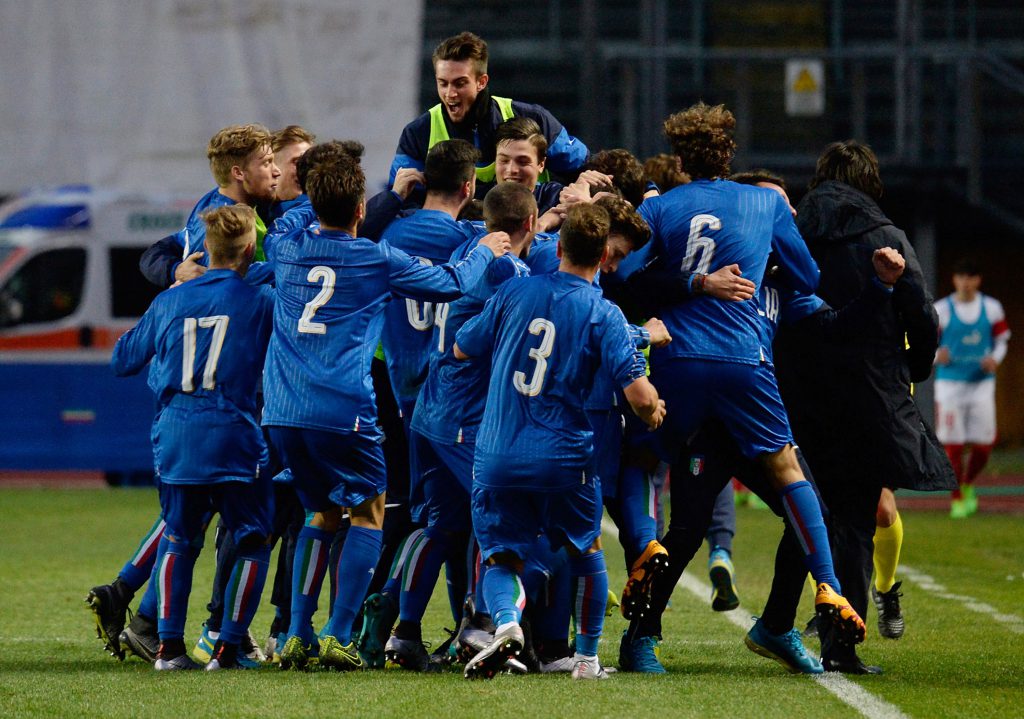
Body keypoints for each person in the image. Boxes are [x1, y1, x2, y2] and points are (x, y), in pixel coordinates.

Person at [613, 104, 866, 672]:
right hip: (744, 375)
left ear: (679, 159)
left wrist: (692, 281)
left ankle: (756, 624)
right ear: (730, 155)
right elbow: (811, 281)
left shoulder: (661, 207)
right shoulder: (769, 208)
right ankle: (825, 588)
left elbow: (627, 276)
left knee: (665, 490)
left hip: (682, 367)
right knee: (788, 496)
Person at [260, 149, 510, 671]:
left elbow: (292, 218)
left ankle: (297, 634)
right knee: (368, 513)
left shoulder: (284, 248)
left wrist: (352, 198)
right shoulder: (373, 258)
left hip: (282, 411)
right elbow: (453, 284)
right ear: (358, 210)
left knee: (320, 513)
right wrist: (484, 248)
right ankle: (337, 632)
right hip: (341, 409)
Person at [454, 202, 666, 680]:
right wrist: (653, 409)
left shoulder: (514, 290)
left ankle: (506, 623)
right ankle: (587, 659)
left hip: (498, 453)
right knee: (587, 550)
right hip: (564, 458)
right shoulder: (602, 311)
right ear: (603, 257)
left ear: (561, 247)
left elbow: (462, 345)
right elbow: (637, 394)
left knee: (501, 555)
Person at [774, 139, 956, 673]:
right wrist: (914, 371)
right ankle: (840, 643)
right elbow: (921, 316)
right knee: (855, 519)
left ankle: (780, 623)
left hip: (800, 390)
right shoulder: (886, 237)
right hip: (870, 394)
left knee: (807, 512)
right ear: (869, 182)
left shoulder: (795, 233)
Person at [111, 204, 275, 670]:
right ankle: (227, 648)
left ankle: (167, 649)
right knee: (251, 540)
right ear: (248, 249)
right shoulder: (259, 301)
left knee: (180, 538)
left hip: (177, 433)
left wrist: (169, 301)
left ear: (205, 249)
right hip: (234, 432)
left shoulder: (170, 300)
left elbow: (123, 358)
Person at [389, 32, 588, 199]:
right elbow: (400, 199)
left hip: (532, 236)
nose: (450, 94)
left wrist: (585, 183)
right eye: (443, 83)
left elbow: (584, 165)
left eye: (460, 83)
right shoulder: (418, 133)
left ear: (481, 81)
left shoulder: (534, 119)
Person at [139, 124, 280, 287]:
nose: (277, 171)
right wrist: (299, 262)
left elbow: (158, 252)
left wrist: (174, 268)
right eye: (267, 163)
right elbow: (224, 278)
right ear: (239, 173)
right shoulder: (221, 222)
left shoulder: (219, 200)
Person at [934, 258, 1010, 518]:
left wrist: (995, 360)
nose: (965, 283)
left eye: (970, 277)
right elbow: (925, 344)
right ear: (954, 280)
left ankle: (967, 483)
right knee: (953, 446)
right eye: (961, 277)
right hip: (950, 385)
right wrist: (936, 355)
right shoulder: (942, 310)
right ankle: (957, 500)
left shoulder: (991, 308)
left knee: (983, 445)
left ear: (978, 280)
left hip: (981, 385)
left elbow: (1002, 340)